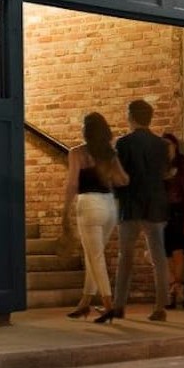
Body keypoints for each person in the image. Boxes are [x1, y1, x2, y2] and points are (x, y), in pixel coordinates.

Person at [60, 113, 129, 323]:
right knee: (94, 255)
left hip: (88, 205)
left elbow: (72, 184)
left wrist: (65, 211)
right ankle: (84, 303)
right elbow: (123, 180)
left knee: (95, 257)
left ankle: (109, 306)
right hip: (109, 205)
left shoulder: (77, 153)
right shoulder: (110, 154)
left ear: (85, 131)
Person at [110, 99, 170, 321]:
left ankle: (119, 305)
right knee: (159, 258)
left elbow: (119, 175)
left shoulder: (123, 143)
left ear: (131, 117)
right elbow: (163, 174)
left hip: (130, 206)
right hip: (155, 205)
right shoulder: (161, 145)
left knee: (125, 257)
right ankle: (160, 307)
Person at [161, 133, 184, 309]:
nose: (166, 148)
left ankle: (174, 291)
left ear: (175, 146)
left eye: (168, 144)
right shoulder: (159, 167)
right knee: (163, 254)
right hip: (162, 215)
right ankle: (178, 286)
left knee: (178, 253)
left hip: (179, 214)